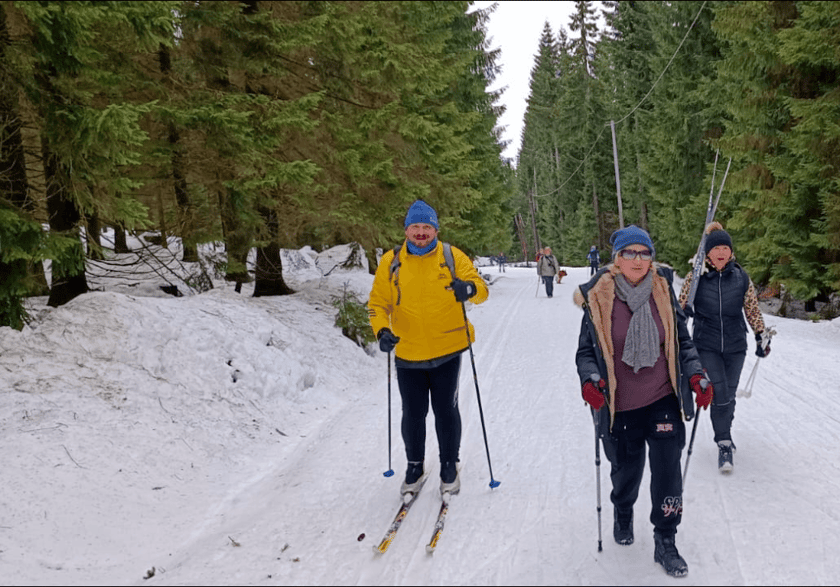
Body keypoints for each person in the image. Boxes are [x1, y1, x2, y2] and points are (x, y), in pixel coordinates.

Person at [574, 224, 713, 578]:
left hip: (661, 397)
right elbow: (586, 354)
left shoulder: (663, 292)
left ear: (651, 258)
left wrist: (696, 374)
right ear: (617, 259)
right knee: (626, 472)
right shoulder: (599, 297)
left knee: (668, 471)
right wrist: (591, 381)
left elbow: (683, 342)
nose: (638, 259)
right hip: (618, 404)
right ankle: (623, 508)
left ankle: (666, 538)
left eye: (644, 253)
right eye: (629, 253)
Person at [368, 200, 489, 496]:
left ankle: (449, 463)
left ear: (435, 229)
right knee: (413, 412)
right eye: (416, 227)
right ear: (406, 230)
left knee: (446, 410)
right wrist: (382, 330)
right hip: (407, 351)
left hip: (448, 348)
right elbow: (377, 303)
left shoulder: (451, 256)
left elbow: (481, 289)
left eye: (426, 227)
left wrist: (469, 289)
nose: (421, 233)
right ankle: (414, 465)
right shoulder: (391, 261)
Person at [678, 221, 771, 473]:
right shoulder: (695, 277)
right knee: (718, 393)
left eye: (725, 248)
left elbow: (751, 309)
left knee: (728, 394)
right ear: (707, 253)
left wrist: (761, 335)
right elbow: (679, 309)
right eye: (716, 247)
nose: (721, 252)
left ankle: (724, 431)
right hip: (705, 344)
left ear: (731, 252)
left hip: (735, 345)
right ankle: (724, 441)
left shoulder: (741, 277)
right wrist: (684, 312)